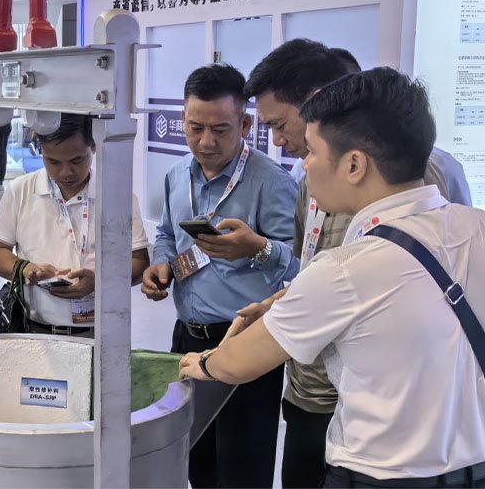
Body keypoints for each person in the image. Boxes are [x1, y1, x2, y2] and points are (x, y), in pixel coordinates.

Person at [181, 67, 485, 488]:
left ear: (354, 164)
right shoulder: (476, 226)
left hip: (380, 478)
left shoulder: (346, 268)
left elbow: (237, 363)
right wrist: (286, 300)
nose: (304, 165)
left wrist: (198, 363)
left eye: (312, 151)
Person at [141, 64, 297, 488]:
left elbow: (302, 264)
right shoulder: (177, 175)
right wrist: (161, 264)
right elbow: (166, 235)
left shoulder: (272, 183)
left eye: (220, 130)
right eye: (195, 128)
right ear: (182, 120)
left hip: (246, 341)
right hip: (188, 340)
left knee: (243, 469)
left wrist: (257, 248)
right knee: (194, 460)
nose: (206, 142)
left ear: (245, 125)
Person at [0, 114, 149, 336]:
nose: (65, 172)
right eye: (53, 162)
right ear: (40, 149)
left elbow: (139, 261)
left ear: (94, 147)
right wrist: (24, 268)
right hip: (35, 330)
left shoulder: (117, 196)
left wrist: (99, 281)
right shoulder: (20, 191)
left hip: (101, 334)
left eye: (76, 160)